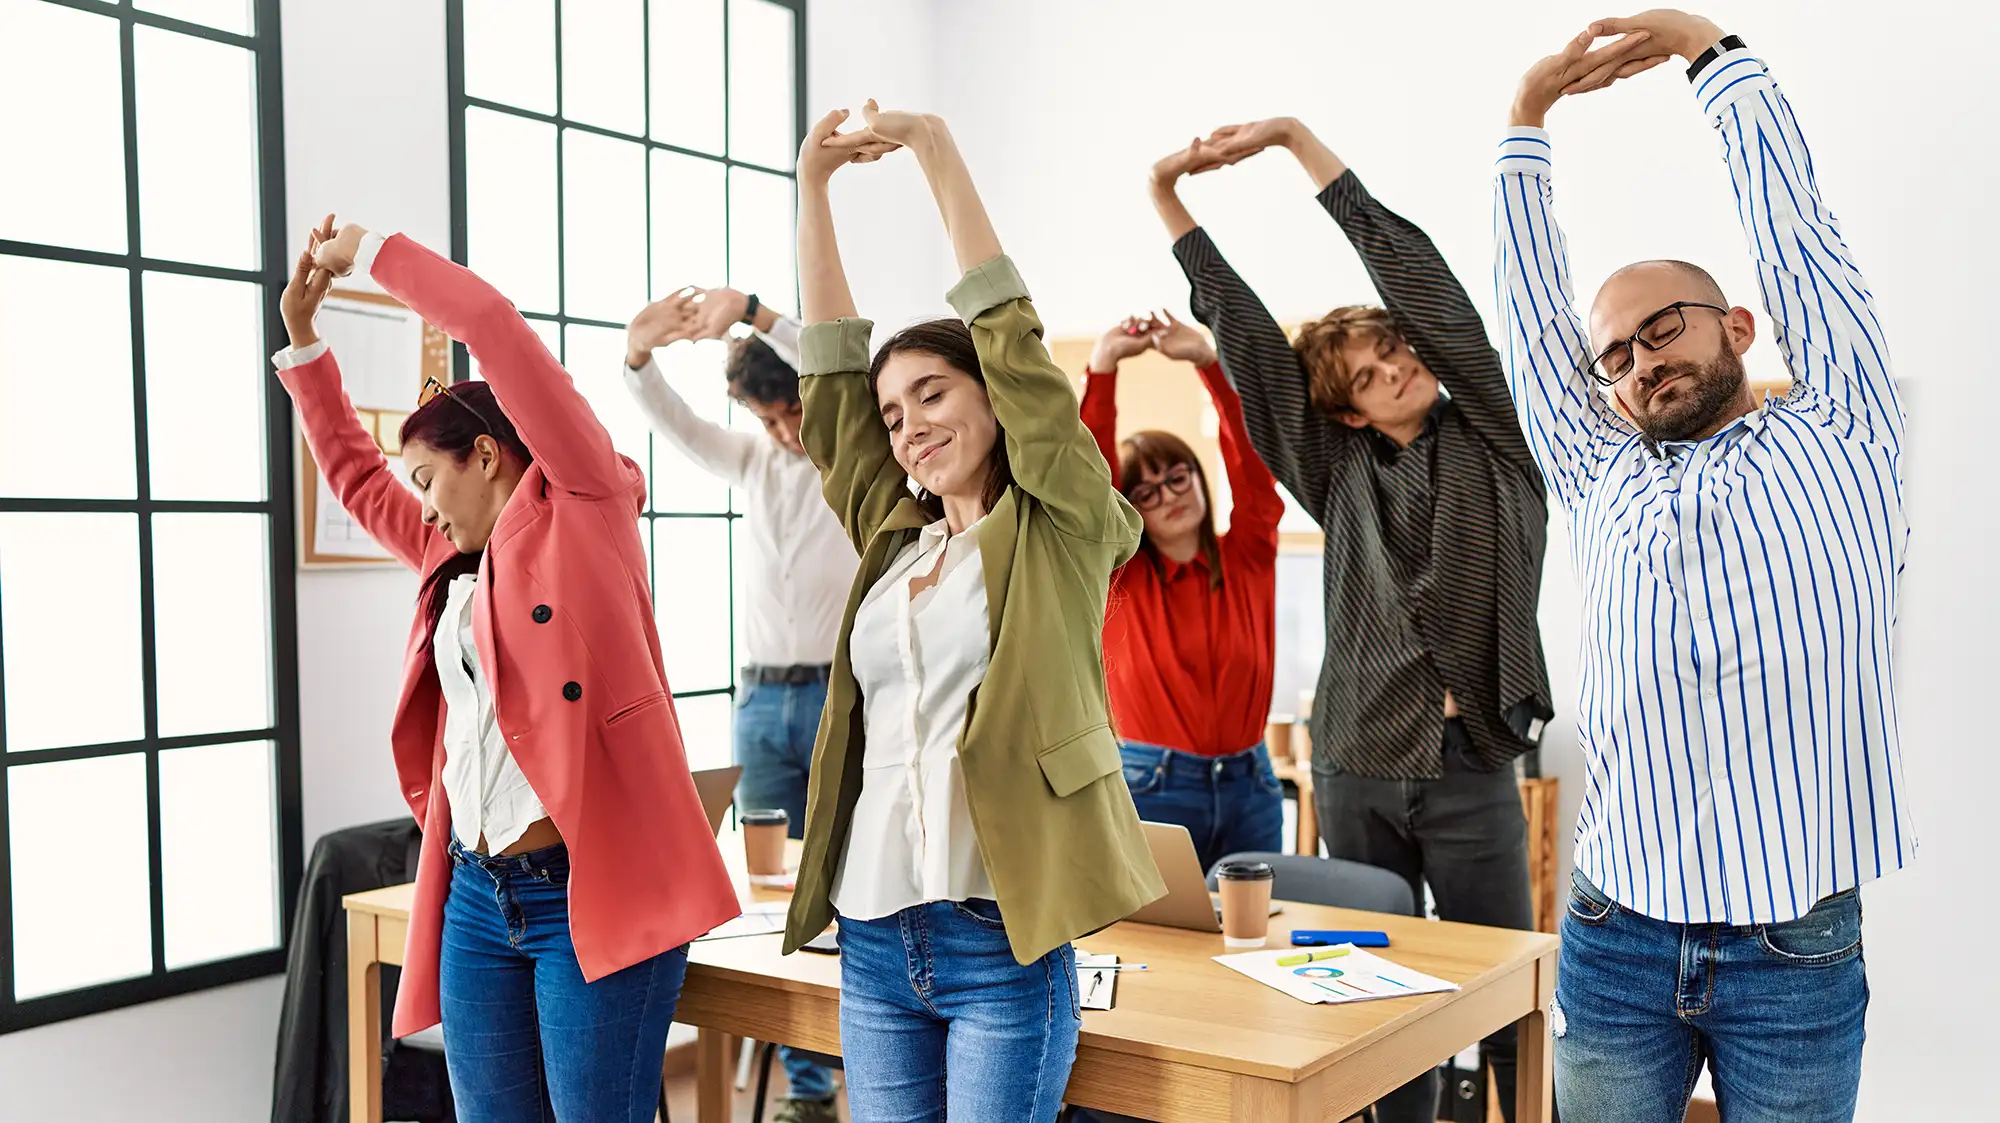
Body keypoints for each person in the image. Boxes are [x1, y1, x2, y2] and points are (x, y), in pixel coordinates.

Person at [1497, 13, 1911, 1122]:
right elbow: (1533, 335)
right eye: (1618, 355)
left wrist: (1704, 52)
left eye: (1661, 327)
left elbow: (1799, 239)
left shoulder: (1843, 434)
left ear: (1735, 323)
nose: (1638, 361)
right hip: (1611, 932)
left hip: (1795, 947)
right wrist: (1524, 123)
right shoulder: (1596, 474)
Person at [277, 216, 739, 1122]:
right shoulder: (449, 556)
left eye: (428, 479)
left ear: (486, 455)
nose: (418, 505)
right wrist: (304, 344)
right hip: (478, 895)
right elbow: (354, 476)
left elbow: (490, 323)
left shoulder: (586, 503)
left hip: (586, 888)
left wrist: (367, 253)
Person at [1151, 114, 1556, 1120]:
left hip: (1473, 763)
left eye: (1393, 353)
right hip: (1354, 758)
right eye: (1369, 377)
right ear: (1346, 415)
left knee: (1505, 989)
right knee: (1367, 999)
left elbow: (1426, 287)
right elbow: (1247, 343)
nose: (1397, 370)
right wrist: (1168, 199)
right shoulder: (1333, 473)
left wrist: (1297, 146)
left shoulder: (1496, 438)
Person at [781, 101, 1166, 1122]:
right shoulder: (892, 535)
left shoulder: (1062, 527)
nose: (908, 429)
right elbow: (827, 386)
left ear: (991, 397)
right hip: (868, 932)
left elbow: (1015, 341)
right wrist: (810, 188)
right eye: (895, 414)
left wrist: (932, 151)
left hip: (995, 935)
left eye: (933, 396)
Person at [620, 286, 850, 1121]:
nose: (785, 431)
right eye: (769, 418)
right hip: (759, 698)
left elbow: (839, 362)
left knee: (840, 882)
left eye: (791, 411)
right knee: (773, 890)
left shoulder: (856, 454)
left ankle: (850, 1055)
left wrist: (754, 310)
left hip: (839, 691)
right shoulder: (754, 459)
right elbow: (675, 426)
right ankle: (812, 1094)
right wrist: (639, 357)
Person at [1080, 312, 1286, 872]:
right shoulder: (1116, 574)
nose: (1169, 495)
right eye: (1145, 491)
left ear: (1197, 477)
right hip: (1155, 785)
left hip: (1252, 785)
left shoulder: (1248, 552)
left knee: (1252, 947)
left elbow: (1251, 465)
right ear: (1130, 508)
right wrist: (1103, 369)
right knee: (1160, 950)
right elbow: (1087, 490)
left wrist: (1209, 364)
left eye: (1178, 476)